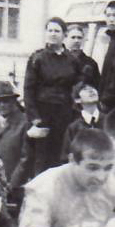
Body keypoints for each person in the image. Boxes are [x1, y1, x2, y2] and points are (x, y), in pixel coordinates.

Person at [22, 18, 84, 178]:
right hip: (43, 113)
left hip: (64, 114)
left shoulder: (72, 60)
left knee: (60, 155)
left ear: (64, 35)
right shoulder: (37, 58)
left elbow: (78, 84)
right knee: (41, 157)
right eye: (50, 30)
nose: (53, 34)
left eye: (57, 31)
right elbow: (28, 89)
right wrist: (34, 117)